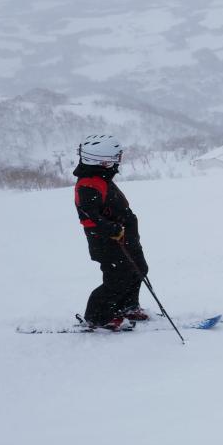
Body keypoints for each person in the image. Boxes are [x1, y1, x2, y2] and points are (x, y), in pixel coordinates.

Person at [73, 135, 150, 330]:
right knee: (118, 278)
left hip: (125, 235)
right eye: (115, 157)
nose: (118, 160)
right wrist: (112, 229)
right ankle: (98, 317)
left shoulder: (101, 177)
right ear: (102, 160)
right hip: (107, 240)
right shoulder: (89, 183)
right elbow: (89, 215)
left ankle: (127, 307)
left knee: (138, 269)